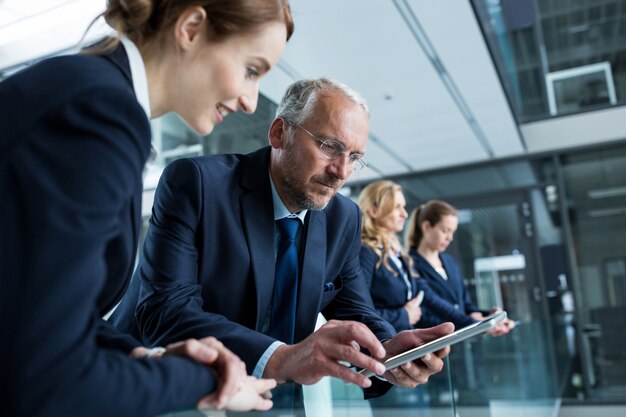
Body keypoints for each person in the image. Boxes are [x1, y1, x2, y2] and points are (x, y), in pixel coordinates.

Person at [0, 1, 295, 416]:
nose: (251, 101)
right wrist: (208, 382)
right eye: (251, 70)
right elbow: (47, 379)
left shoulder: (90, 91)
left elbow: (34, 317)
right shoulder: (101, 113)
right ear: (191, 28)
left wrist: (151, 357)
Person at [111, 77, 454, 410]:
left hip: (269, 398)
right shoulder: (197, 185)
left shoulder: (343, 218)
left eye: (354, 156)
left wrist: (387, 348)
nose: (341, 171)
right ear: (279, 133)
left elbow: (356, 309)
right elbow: (165, 313)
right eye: (329, 146)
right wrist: (280, 357)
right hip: (160, 392)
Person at [405, 200, 515, 333]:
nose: (450, 238)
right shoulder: (410, 264)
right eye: (445, 231)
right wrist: (479, 325)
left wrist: (489, 317)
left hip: (461, 339)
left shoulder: (450, 262)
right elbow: (434, 307)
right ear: (427, 227)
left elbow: (465, 305)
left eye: (452, 232)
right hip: (434, 343)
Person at [358, 180, 423, 332]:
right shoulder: (365, 253)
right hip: (380, 348)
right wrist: (404, 316)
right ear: (374, 210)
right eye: (397, 207)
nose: (405, 214)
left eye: (404, 207)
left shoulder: (396, 253)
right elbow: (359, 313)